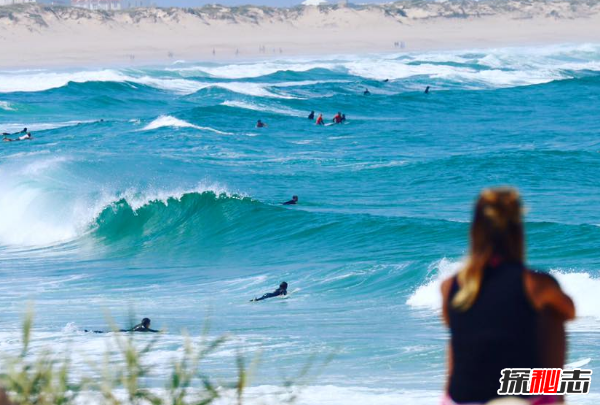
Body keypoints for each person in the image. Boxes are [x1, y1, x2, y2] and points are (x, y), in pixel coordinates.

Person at [440, 188, 575, 405]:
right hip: (516, 396)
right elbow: (570, 311)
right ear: (517, 231)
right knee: (552, 314)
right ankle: (553, 399)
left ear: (475, 231)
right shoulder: (535, 284)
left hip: (460, 398)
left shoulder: (451, 286)